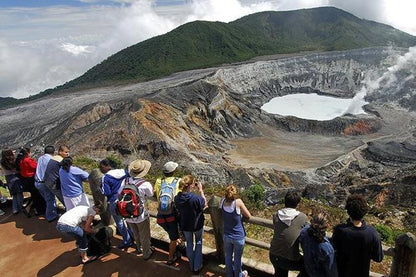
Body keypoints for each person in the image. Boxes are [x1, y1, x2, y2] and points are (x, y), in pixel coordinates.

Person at [332, 194, 383, 277]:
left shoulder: (340, 230)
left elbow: (333, 251)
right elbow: (378, 258)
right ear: (364, 211)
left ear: (348, 211)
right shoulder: (372, 233)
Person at [269, 191, 308, 277]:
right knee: (308, 266)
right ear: (297, 204)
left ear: (285, 201)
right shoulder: (302, 217)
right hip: (290, 258)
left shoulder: (276, 215)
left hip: (273, 255)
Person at [174, 174, 206, 274]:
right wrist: (200, 190)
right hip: (197, 225)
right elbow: (204, 203)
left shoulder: (177, 198)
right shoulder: (195, 198)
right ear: (190, 185)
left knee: (189, 244)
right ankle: (197, 266)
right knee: (198, 242)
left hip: (185, 225)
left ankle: (191, 265)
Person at [123, 159, 154, 260]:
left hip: (127, 213)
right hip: (140, 214)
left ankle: (139, 248)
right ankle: (146, 253)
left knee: (135, 233)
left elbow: (120, 193)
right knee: (144, 234)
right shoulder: (144, 184)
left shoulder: (125, 181)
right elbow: (151, 194)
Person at [99, 159, 133, 249]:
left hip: (114, 201)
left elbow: (107, 192)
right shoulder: (125, 172)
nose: (100, 170)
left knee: (119, 222)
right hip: (127, 199)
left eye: (101, 167)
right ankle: (133, 235)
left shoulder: (105, 177)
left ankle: (127, 240)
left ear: (105, 166)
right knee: (129, 218)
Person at [154, 161, 182, 265]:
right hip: (172, 216)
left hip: (161, 216)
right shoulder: (178, 181)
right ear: (174, 171)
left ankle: (175, 238)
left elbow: (155, 192)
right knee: (173, 238)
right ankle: (171, 258)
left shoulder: (158, 181)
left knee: (172, 233)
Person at [221, 184, 251, 277]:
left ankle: (229, 274)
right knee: (237, 259)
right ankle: (239, 275)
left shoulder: (222, 201)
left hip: (226, 235)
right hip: (238, 236)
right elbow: (248, 216)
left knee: (228, 257)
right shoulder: (238, 202)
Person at [299, 212, 338, 277]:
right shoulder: (327, 249)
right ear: (328, 226)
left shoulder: (304, 232)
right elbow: (332, 273)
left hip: (307, 269)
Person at [16, 147, 46, 216]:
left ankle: (31, 208)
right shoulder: (28, 160)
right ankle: (39, 210)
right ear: (27, 153)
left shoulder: (21, 160)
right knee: (37, 195)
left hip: (25, 179)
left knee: (34, 195)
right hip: (31, 179)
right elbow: (36, 166)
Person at [35, 145, 58, 222]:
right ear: (53, 152)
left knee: (46, 199)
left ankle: (49, 212)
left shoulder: (40, 158)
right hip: (44, 183)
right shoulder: (51, 160)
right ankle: (51, 216)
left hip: (37, 182)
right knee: (50, 199)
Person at [1, 149, 24, 215]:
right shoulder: (12, 161)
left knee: (14, 194)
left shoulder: (2, 161)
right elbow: (15, 169)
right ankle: (20, 207)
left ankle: (15, 209)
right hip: (15, 177)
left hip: (8, 178)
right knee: (19, 193)